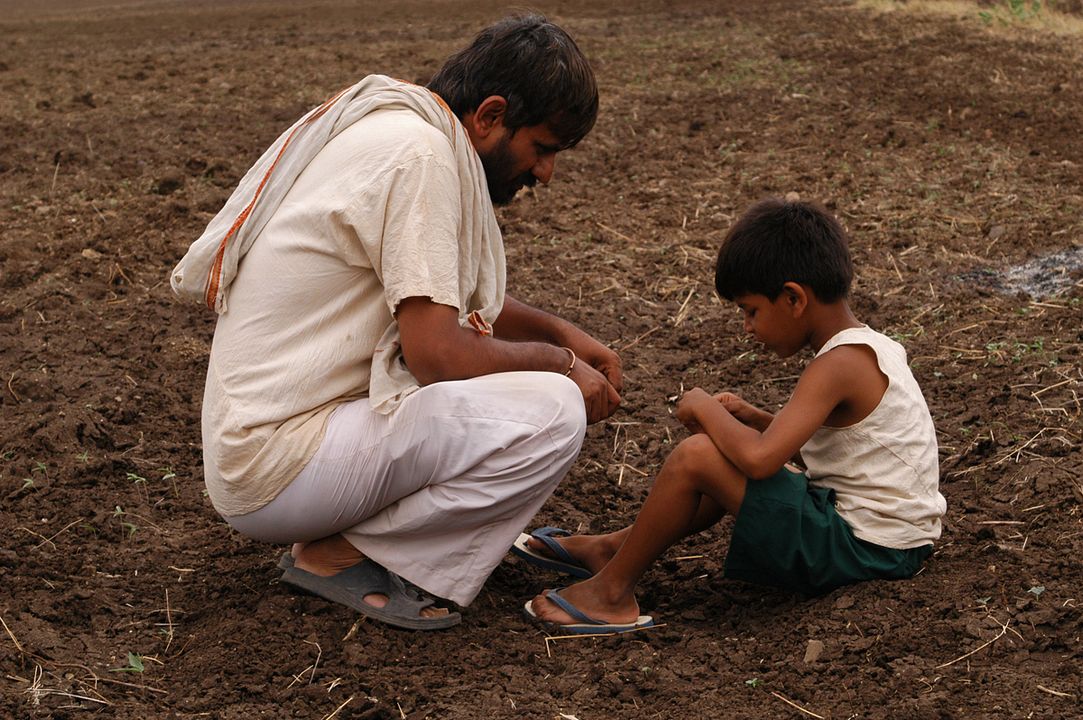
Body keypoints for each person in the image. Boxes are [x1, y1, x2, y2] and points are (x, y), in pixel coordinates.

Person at [169, 14, 622, 630]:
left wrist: (559, 332)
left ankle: (354, 541)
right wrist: (561, 364)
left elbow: (432, 294)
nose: (545, 173)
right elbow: (438, 352)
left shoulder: (400, 132)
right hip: (280, 464)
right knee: (552, 412)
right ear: (489, 116)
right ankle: (348, 555)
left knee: (529, 393)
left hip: (267, 451)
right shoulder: (420, 156)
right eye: (541, 148)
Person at [519, 198, 947, 635]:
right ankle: (614, 548)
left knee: (699, 456)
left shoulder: (836, 365)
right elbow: (843, 447)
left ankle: (609, 594)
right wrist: (758, 418)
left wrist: (703, 406)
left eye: (751, 310)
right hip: (889, 543)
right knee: (722, 457)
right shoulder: (869, 347)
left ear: (794, 298)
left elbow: (761, 460)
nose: (747, 327)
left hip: (866, 549)